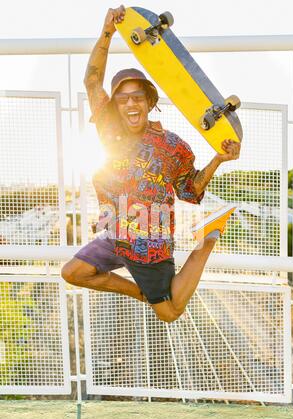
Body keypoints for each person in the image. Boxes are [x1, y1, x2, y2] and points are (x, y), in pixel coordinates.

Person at [61, 5, 241, 323]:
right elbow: (92, 80)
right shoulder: (109, 130)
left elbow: (191, 190)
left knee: (170, 312)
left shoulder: (172, 146)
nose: (131, 103)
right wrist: (107, 31)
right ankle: (141, 292)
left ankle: (209, 238)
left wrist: (219, 159)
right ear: (116, 106)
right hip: (115, 234)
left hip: (150, 243)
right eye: (123, 98)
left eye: (137, 97)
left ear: (148, 102)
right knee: (73, 272)